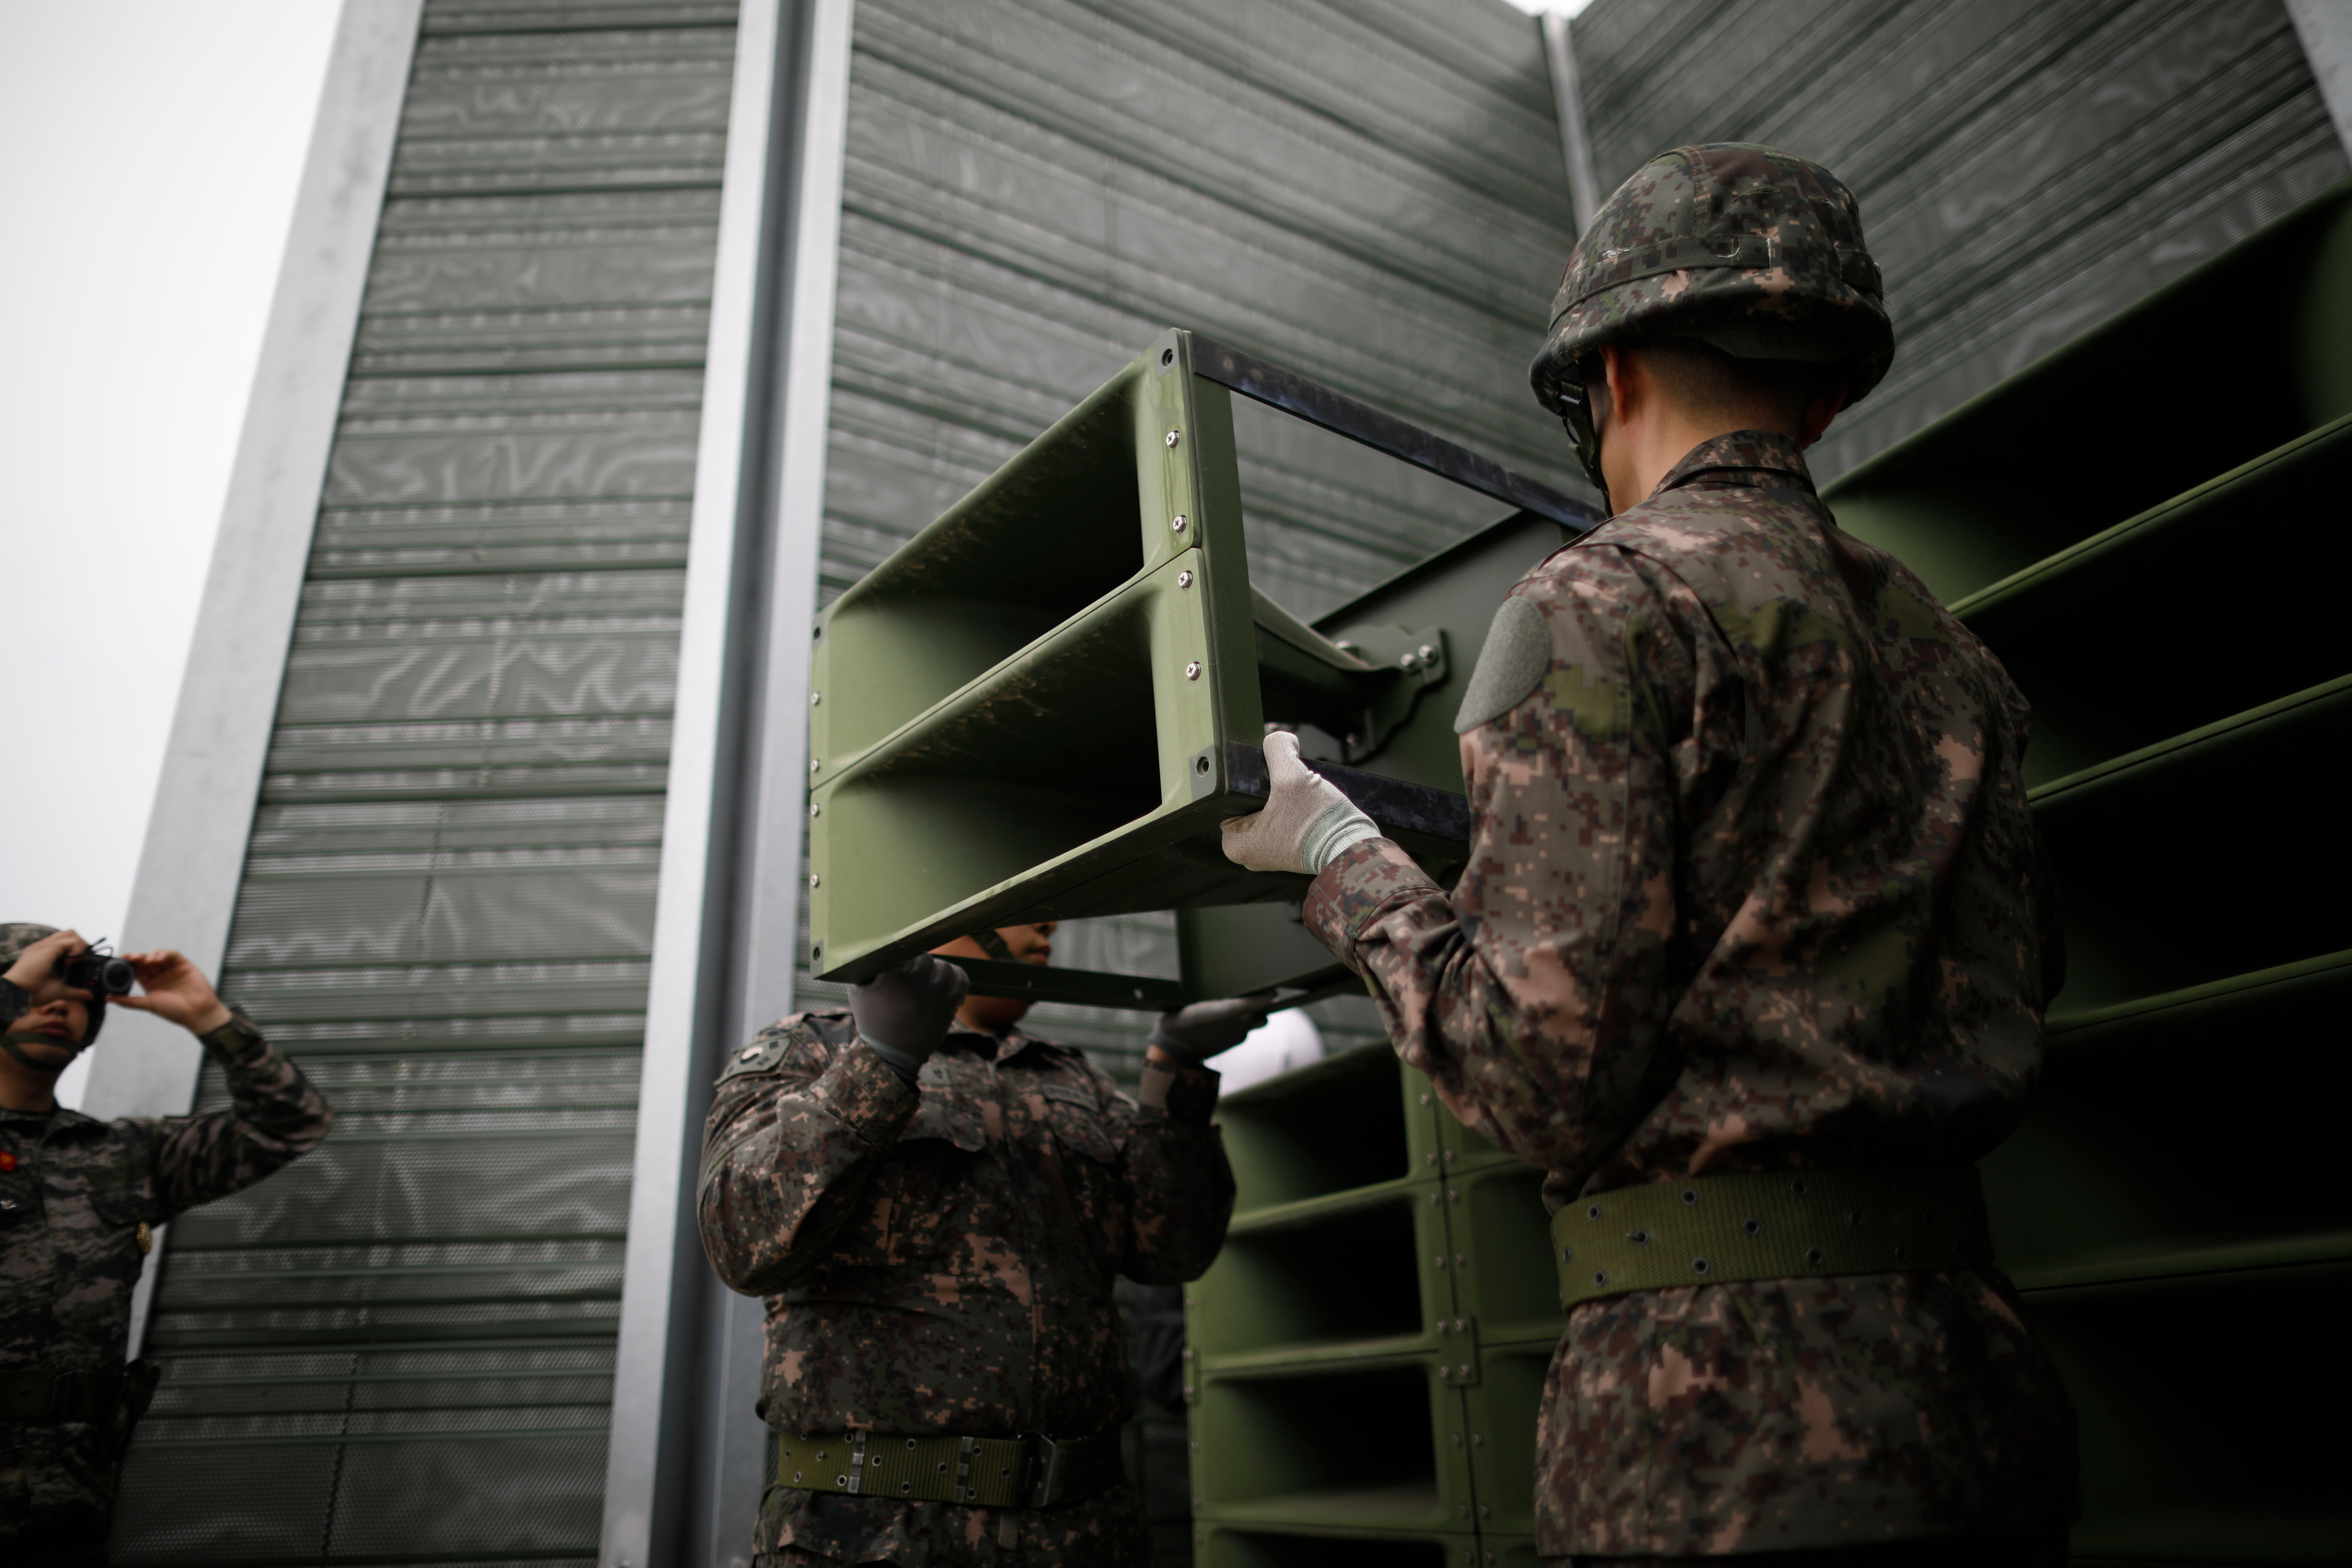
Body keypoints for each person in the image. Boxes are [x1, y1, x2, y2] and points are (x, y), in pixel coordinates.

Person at [1221, 144, 2076, 1564]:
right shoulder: (1949, 652)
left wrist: (1336, 854)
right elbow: (2021, 964)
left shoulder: (1601, 603)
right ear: (1821, 390)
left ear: (1606, 377)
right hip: (1975, 1382)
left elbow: (1539, 1077)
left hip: (1718, 1421)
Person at [698, 918, 1262, 1566]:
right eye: (1026, 906)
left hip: (1083, 1531)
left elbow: (1173, 1252)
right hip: (874, 1532)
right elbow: (739, 1237)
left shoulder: (1072, 1077)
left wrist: (1176, 1072)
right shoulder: (813, 1049)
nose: (1050, 922)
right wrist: (881, 1062)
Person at [0, 924, 333, 1564]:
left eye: (79, 992)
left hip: (64, 1508)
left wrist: (210, 1018)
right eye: (35, 985)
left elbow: (292, 1123)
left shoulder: (119, 1155)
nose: (57, 1003)